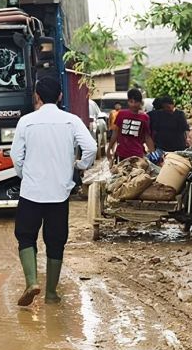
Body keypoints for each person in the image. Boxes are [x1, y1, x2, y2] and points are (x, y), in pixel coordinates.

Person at [10, 76, 97, 307]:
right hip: (60, 192)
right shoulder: (71, 121)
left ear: (37, 96)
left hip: (31, 192)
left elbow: (16, 157)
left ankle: (31, 282)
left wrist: (24, 175)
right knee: (56, 240)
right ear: (60, 96)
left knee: (26, 236)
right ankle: (50, 293)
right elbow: (91, 147)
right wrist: (79, 166)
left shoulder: (26, 122)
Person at [109, 88, 154, 161]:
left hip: (138, 155)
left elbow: (147, 137)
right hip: (121, 154)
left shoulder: (144, 117)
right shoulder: (121, 114)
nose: (133, 104)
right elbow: (115, 133)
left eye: (136, 102)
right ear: (128, 102)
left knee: (138, 172)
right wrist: (109, 149)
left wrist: (153, 153)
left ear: (140, 102)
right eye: (131, 101)